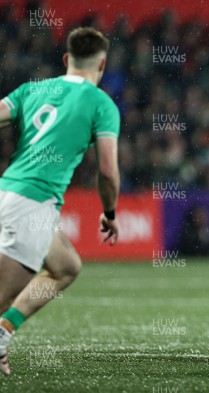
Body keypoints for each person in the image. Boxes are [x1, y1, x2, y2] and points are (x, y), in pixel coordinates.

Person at [0, 27, 120, 375]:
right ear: (102, 65)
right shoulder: (101, 104)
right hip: (32, 204)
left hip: (10, 193)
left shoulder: (32, 89)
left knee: (66, 266)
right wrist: (109, 212)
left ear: (67, 60)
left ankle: (4, 333)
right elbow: (109, 172)